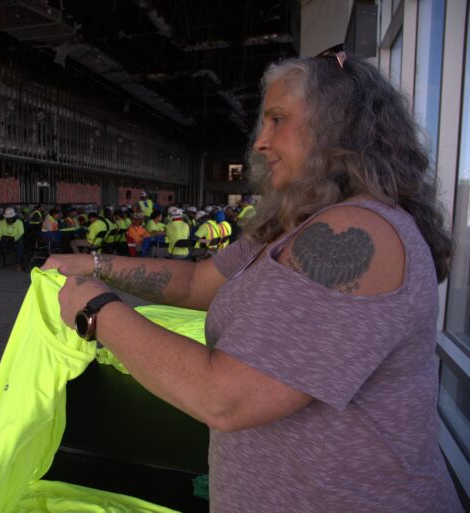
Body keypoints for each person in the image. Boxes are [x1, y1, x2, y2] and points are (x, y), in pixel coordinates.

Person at [43, 49, 461, 512]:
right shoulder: (295, 226)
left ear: (338, 125)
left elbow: (228, 398)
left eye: (277, 120)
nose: (260, 142)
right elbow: (196, 282)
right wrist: (95, 265)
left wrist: (96, 312)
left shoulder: (355, 232)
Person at [0, 207, 24, 271]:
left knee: (20, 242)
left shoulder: (19, 223)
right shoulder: (2, 223)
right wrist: (2, 237)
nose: (8, 219)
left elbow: (21, 233)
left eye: (10, 218)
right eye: (7, 218)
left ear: (13, 217)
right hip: (4, 241)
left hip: (14, 241)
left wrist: (13, 238)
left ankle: (18, 263)